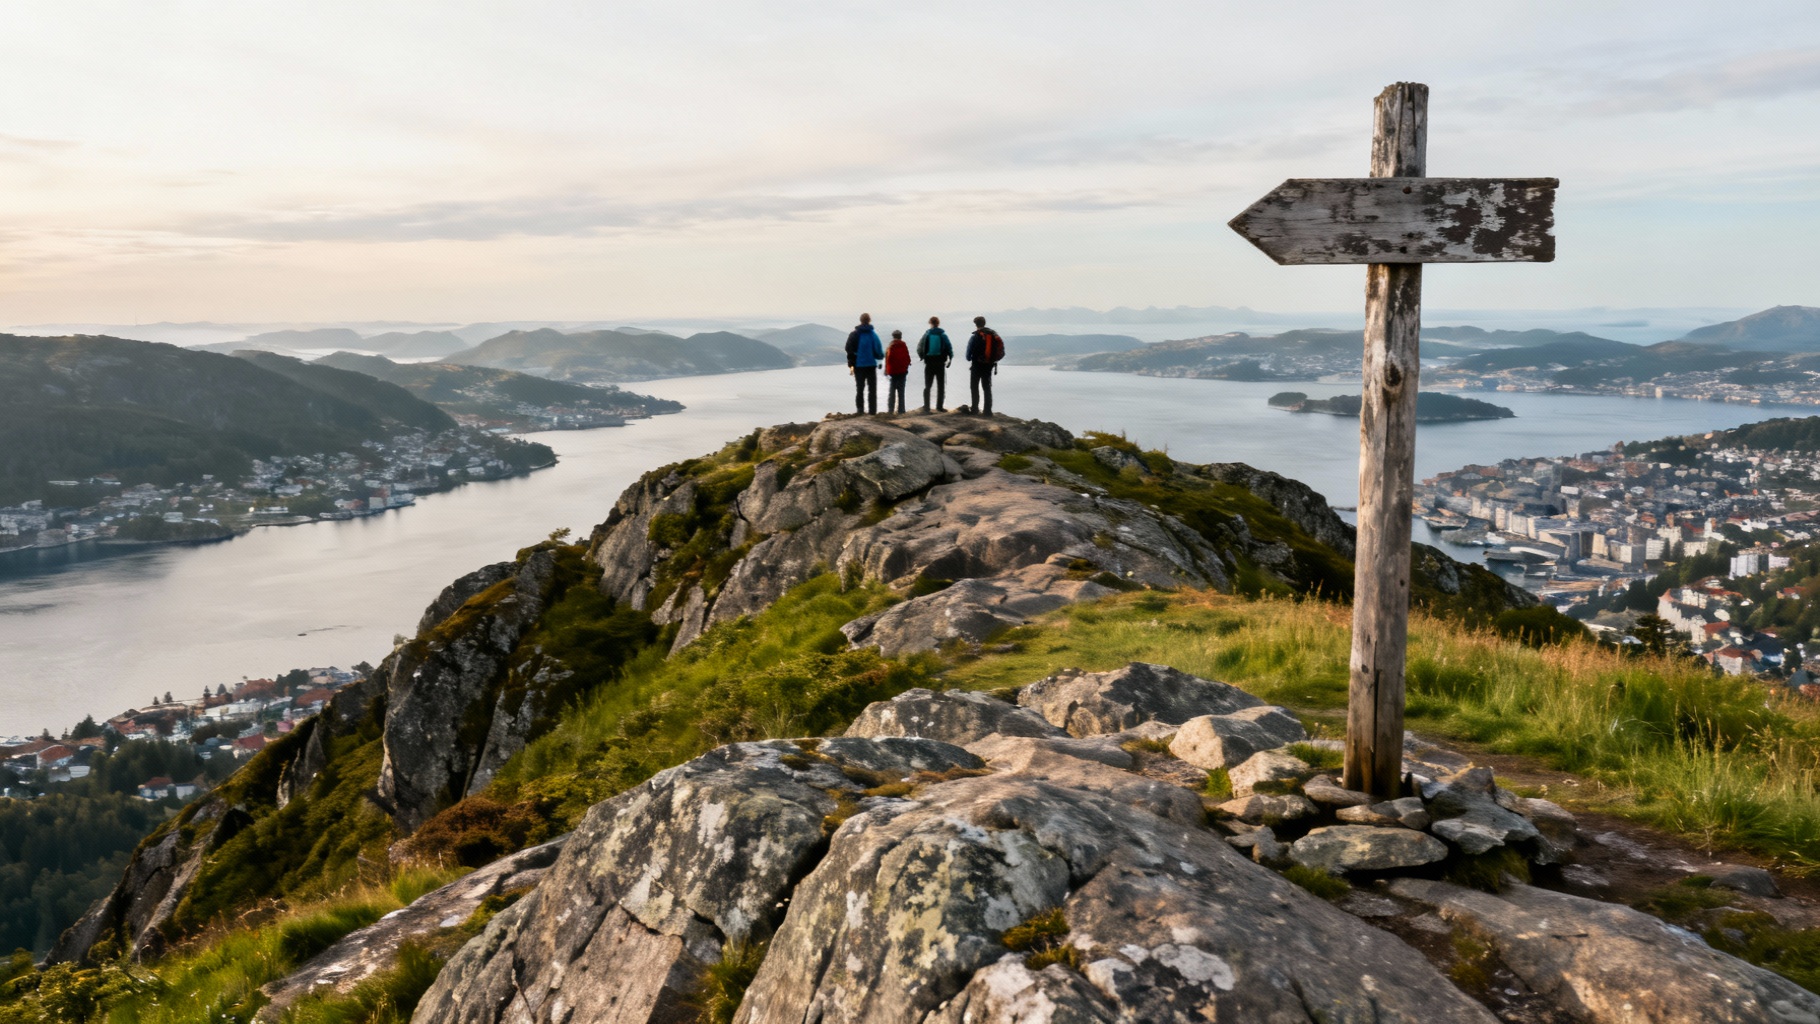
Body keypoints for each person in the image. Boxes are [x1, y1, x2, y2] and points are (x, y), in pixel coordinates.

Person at [964, 315, 1005, 415]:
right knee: (986, 387)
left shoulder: (975, 337)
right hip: (989, 365)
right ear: (984, 323)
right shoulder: (993, 335)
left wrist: (971, 358)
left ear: (976, 324)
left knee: (974, 387)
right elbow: (1001, 352)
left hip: (976, 365)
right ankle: (987, 411)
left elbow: (968, 356)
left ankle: (975, 409)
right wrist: (993, 360)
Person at [845, 313, 884, 414]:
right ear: (869, 321)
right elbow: (878, 350)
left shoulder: (854, 334)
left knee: (860, 389)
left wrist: (853, 358)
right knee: (872, 390)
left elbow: (848, 348)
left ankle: (860, 410)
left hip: (859, 365)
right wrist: (878, 356)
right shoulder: (873, 335)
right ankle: (872, 411)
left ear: (861, 321)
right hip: (871, 365)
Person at [917, 316, 953, 411]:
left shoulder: (927, 335)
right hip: (940, 362)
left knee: (928, 385)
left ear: (930, 323)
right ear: (938, 323)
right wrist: (950, 358)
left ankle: (927, 406)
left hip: (929, 362)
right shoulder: (943, 334)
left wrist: (922, 356)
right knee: (941, 385)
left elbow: (919, 347)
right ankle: (939, 406)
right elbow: (949, 347)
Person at [884, 330, 911, 414]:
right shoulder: (904, 345)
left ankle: (890, 410)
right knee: (901, 391)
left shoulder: (890, 346)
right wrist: (906, 365)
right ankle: (901, 410)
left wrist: (887, 370)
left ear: (893, 336)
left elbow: (888, 359)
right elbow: (907, 357)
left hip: (893, 372)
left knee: (892, 391)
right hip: (902, 371)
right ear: (901, 336)